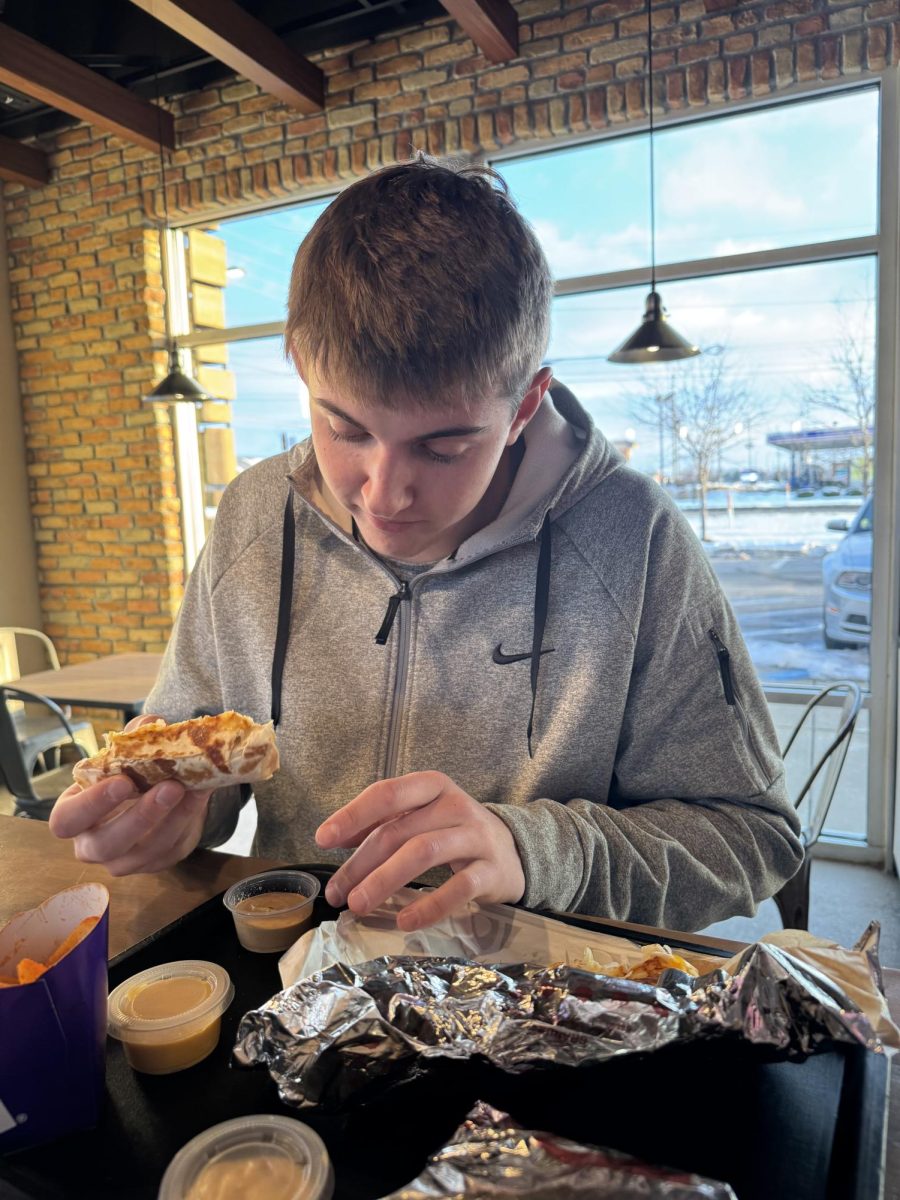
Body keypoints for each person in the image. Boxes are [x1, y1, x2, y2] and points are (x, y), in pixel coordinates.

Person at [50, 158, 802, 933]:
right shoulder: (251, 516)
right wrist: (178, 819)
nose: (383, 493)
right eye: (345, 428)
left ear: (523, 407)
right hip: (300, 988)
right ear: (301, 368)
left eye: (443, 447)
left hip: (547, 1016)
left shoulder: (634, 539)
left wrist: (533, 849)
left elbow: (752, 836)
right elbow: (200, 757)